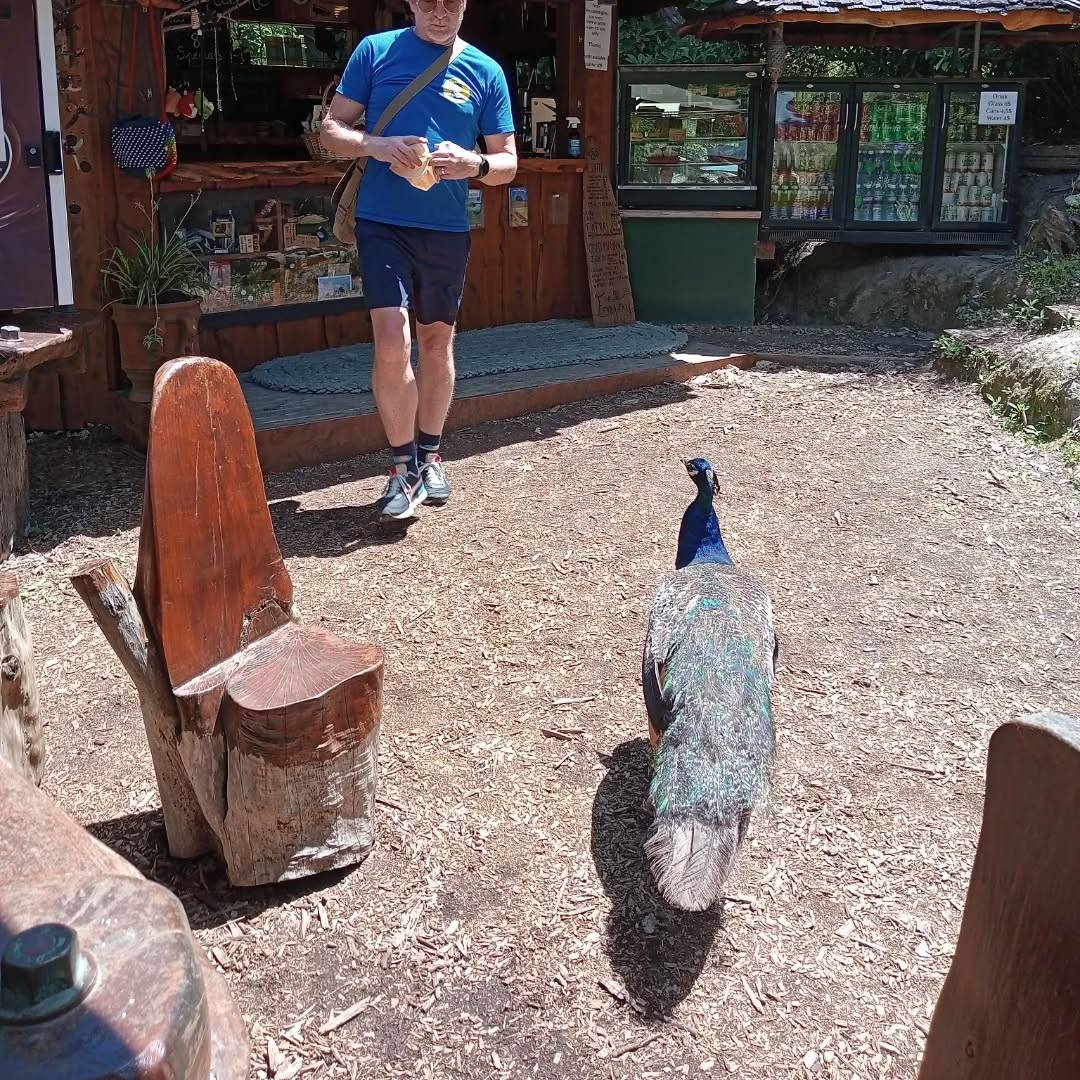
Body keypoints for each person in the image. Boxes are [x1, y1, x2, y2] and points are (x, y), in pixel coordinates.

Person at [321, 0, 517, 521]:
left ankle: (430, 456)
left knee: (436, 342)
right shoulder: (376, 52)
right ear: (411, 3)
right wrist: (379, 145)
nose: (439, 12)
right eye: (428, 1)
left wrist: (475, 163)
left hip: (446, 229)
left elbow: (507, 163)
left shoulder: (485, 70)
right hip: (382, 221)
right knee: (391, 340)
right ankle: (401, 468)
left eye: (450, 2)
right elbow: (330, 131)